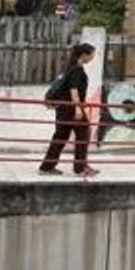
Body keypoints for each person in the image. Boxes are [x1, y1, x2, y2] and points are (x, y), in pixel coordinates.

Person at [40, 43, 99, 177]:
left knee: (60, 136)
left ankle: (46, 167)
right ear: (84, 55)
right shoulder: (77, 70)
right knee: (83, 133)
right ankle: (80, 168)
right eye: (91, 55)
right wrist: (78, 108)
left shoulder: (70, 68)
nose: (92, 58)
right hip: (72, 109)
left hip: (63, 109)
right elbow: (74, 90)